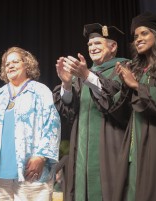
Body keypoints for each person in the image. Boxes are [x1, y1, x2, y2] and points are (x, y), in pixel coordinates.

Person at [53, 24, 129, 201]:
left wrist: (87, 76)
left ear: (113, 46)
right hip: (81, 150)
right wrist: (66, 84)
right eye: (89, 45)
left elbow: (117, 102)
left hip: (111, 144)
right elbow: (69, 112)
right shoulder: (83, 75)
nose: (92, 48)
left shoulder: (124, 68)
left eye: (97, 43)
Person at [0, 46, 61, 201]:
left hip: (31, 172)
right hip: (0, 174)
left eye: (15, 61)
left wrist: (41, 157)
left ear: (27, 64)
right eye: (7, 64)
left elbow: (52, 125)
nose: (10, 65)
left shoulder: (40, 91)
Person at [108, 12, 156, 201]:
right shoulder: (137, 69)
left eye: (144, 34)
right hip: (134, 142)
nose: (138, 39)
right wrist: (126, 84)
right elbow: (121, 111)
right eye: (135, 37)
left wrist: (135, 85)